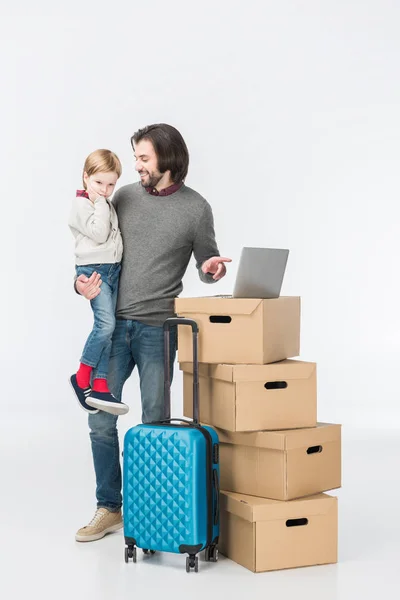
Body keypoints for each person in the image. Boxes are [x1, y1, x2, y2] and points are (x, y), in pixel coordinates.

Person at [74, 124, 231, 543]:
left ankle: (150, 510)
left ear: (167, 159)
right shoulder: (122, 196)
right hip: (113, 330)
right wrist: (80, 284)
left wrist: (212, 269)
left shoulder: (196, 209)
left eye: (143, 158)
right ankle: (110, 507)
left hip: (158, 332)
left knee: (155, 423)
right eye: (136, 158)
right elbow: (93, 249)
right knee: (101, 422)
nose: (136, 166)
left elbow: (206, 261)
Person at [68, 149, 128, 416]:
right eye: (98, 183)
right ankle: (81, 378)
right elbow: (100, 234)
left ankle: (100, 383)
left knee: (108, 329)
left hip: (112, 270)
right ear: (85, 177)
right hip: (95, 271)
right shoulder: (82, 204)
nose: (105, 190)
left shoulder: (103, 203)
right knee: (106, 325)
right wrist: (102, 204)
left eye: (111, 184)